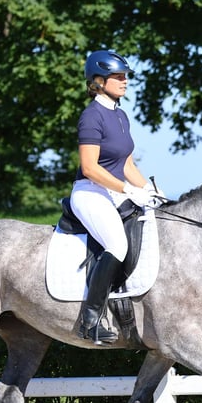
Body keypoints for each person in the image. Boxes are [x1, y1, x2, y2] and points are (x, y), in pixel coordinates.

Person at [69, 49, 162, 345]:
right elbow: (89, 167)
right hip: (90, 193)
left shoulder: (120, 115)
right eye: (117, 77)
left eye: (125, 77)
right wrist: (127, 190)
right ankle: (90, 319)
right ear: (98, 81)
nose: (125, 81)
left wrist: (148, 190)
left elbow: (126, 165)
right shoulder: (91, 116)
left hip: (115, 192)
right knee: (117, 244)